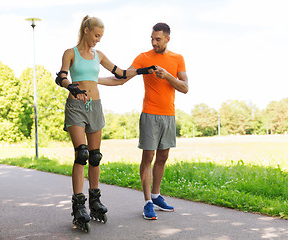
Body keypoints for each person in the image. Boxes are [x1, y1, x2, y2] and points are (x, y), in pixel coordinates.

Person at [55, 15, 156, 230]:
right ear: (86, 31)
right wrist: (70, 86)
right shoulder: (70, 53)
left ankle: (94, 199)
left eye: (101, 36)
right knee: (81, 153)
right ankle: (78, 203)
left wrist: (141, 71)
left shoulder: (98, 55)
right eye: (96, 35)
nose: (98, 40)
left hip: (96, 106)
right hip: (75, 106)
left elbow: (119, 73)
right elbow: (61, 76)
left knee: (95, 156)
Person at [99, 22, 188, 220]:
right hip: (149, 113)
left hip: (169, 115)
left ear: (167, 39)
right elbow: (121, 78)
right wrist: (94, 80)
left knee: (163, 157)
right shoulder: (143, 57)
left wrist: (167, 76)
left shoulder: (177, 58)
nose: (154, 42)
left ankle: (156, 196)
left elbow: (184, 87)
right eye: (152, 39)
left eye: (158, 39)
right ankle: (147, 201)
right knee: (148, 157)